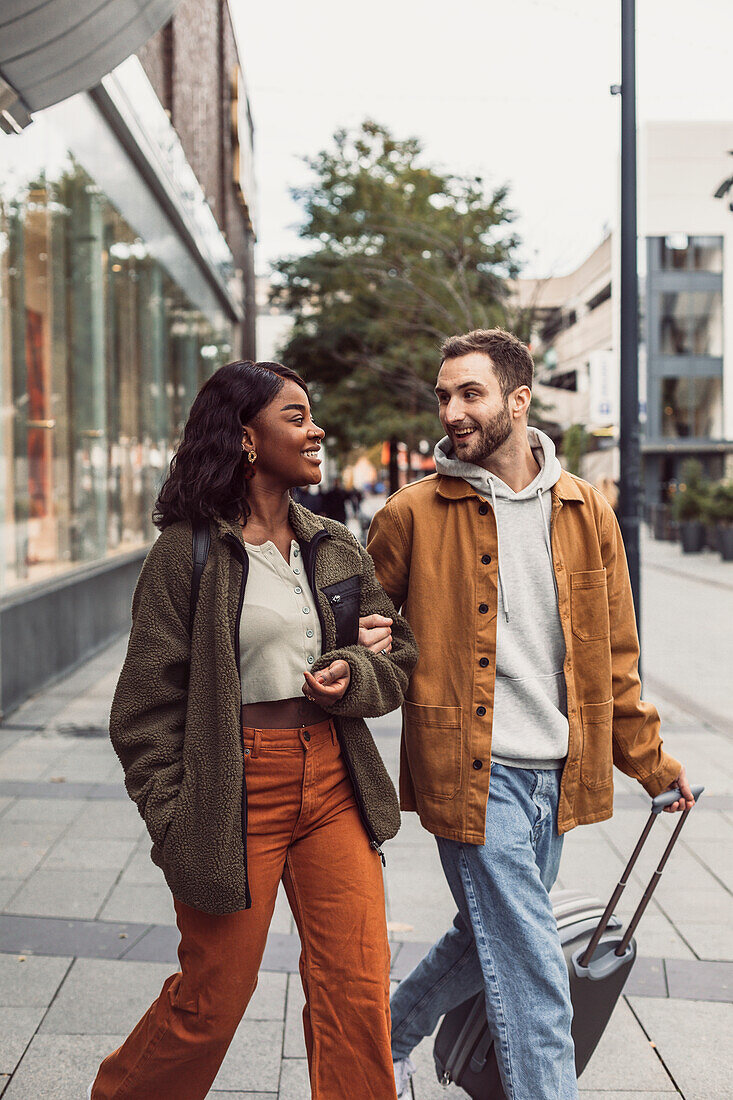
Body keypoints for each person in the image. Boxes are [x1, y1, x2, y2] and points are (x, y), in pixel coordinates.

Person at [365, 328, 694, 1100]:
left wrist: (653, 767)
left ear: (518, 399)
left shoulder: (586, 511)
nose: (451, 410)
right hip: (468, 775)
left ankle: (379, 1043)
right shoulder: (410, 514)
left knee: (484, 939)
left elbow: (613, 659)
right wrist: (367, 644)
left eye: (469, 393)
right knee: (533, 973)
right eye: (443, 395)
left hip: (554, 777)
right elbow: (357, 636)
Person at [88, 360, 418, 1100]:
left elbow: (394, 652)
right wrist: (173, 816)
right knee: (212, 1002)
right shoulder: (187, 553)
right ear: (245, 438)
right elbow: (142, 706)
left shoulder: (333, 543)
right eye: (295, 417)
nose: (316, 430)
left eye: (311, 415)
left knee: (357, 993)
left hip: (333, 780)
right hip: (234, 789)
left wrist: (355, 672)